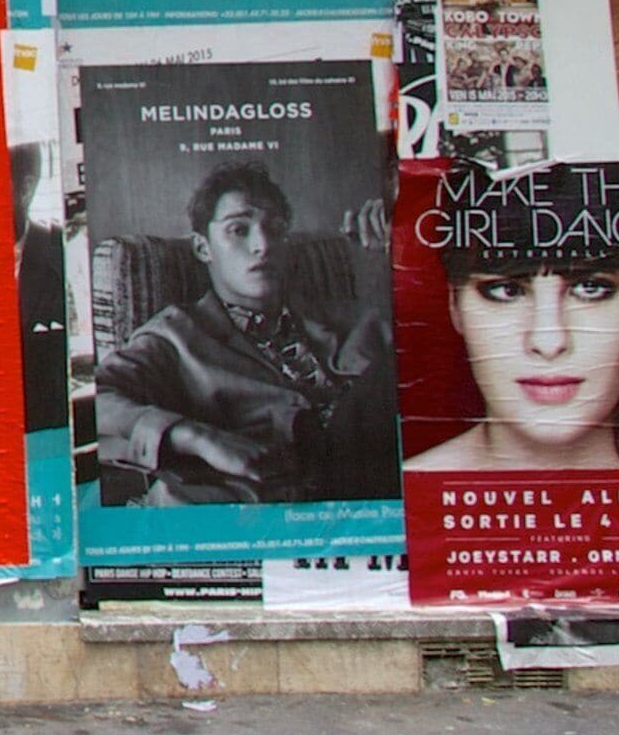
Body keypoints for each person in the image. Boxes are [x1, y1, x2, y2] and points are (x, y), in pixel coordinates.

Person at [95, 163, 396, 505]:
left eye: (275, 228)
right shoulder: (175, 335)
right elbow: (99, 400)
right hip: (282, 489)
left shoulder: (344, 317)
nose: (262, 245)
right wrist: (197, 436)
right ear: (203, 248)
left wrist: (402, 251)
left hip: (377, 466)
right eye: (239, 229)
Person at [406, 222, 619, 474]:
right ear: (454, 304)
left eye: (590, 287)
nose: (549, 342)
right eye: (507, 290)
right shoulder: (397, 496)